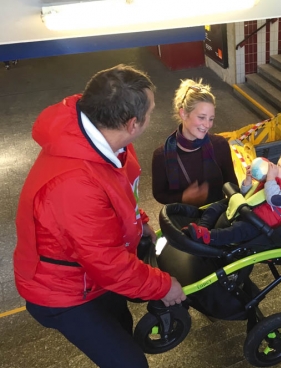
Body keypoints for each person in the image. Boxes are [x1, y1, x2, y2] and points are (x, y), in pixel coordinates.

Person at [13, 65, 187, 368]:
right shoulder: (73, 184)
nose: (153, 116)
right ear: (133, 123)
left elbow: (119, 193)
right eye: (151, 111)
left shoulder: (105, 138)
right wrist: (164, 285)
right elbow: (108, 264)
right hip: (61, 290)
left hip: (89, 274)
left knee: (122, 326)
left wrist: (139, 221)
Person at [187, 151, 281, 246]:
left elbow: (274, 199)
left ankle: (209, 237)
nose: (275, 167)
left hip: (258, 224)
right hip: (247, 210)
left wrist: (270, 179)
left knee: (238, 231)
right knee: (217, 206)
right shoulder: (272, 181)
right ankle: (201, 228)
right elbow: (248, 195)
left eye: (280, 166)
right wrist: (248, 180)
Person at [151, 79, 238, 206]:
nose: (207, 125)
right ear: (184, 114)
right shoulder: (161, 156)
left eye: (211, 119)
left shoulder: (220, 145)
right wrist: (183, 198)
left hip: (219, 219)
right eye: (201, 117)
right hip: (184, 220)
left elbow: (232, 185)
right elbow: (159, 194)